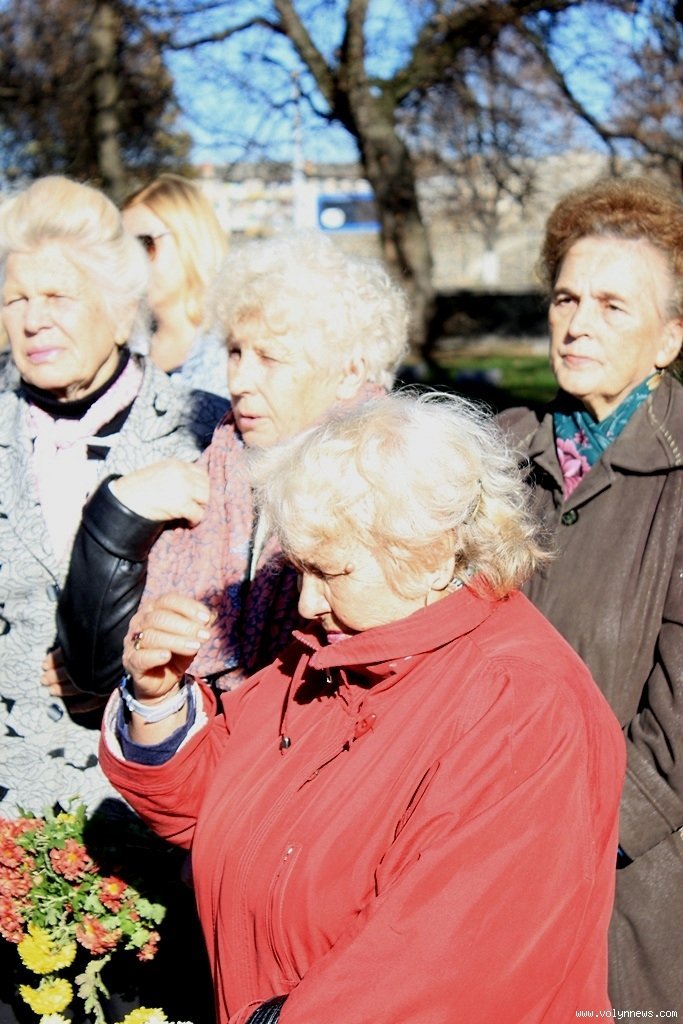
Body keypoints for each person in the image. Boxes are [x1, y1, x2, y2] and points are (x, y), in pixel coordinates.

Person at [99, 391, 625, 1024]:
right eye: (300, 571)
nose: (306, 603)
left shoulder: (522, 710)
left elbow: (436, 980)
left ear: (432, 554)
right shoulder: (336, 654)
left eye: (331, 573)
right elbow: (212, 806)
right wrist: (157, 699)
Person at [0, 174, 226, 1023]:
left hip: (159, 836)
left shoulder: (205, 427)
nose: (33, 319)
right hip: (8, 833)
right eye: (16, 298)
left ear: (119, 302)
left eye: (57, 295)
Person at [57, 233, 409, 696]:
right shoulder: (206, 457)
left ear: (349, 373)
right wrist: (120, 513)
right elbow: (98, 670)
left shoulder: (392, 485)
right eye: (235, 352)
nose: (239, 380)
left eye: (269, 358)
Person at [497, 175, 683, 1014]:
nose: (576, 324)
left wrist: (554, 846)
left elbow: (673, 746)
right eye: (566, 298)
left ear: (668, 337)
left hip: (627, 899)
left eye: (612, 306)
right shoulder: (499, 455)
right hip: (480, 865)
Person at [122, 172, 229, 396]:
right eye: (122, 248)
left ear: (190, 239)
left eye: (143, 244)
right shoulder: (122, 348)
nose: (132, 262)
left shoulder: (238, 345)